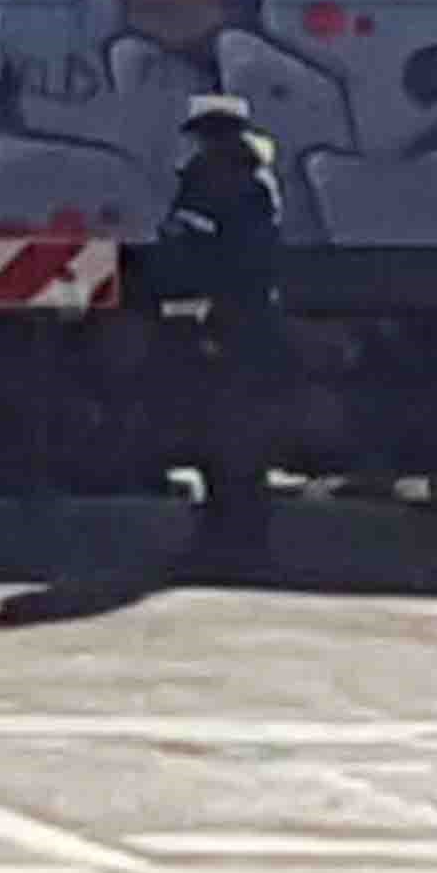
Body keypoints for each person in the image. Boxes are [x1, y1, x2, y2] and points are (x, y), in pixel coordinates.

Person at [152, 94, 286, 568]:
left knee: (222, 429)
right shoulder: (255, 181)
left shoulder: (217, 182)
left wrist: (199, 306)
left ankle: (226, 535)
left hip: (224, 316)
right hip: (250, 315)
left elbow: (196, 248)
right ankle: (244, 533)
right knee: (241, 430)